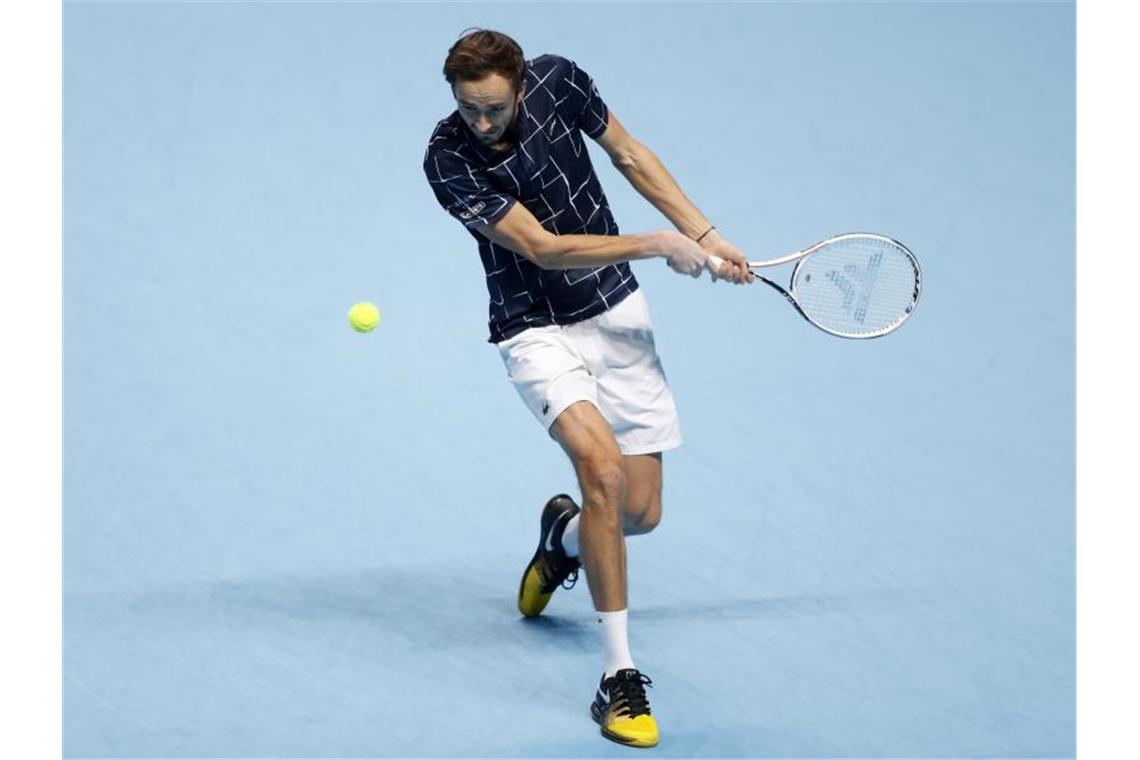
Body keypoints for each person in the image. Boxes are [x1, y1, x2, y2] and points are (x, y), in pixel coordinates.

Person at [423, 29, 753, 748]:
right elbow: (540, 247)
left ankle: (561, 540)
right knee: (600, 471)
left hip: (614, 312)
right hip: (533, 325)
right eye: (468, 108)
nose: (482, 123)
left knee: (638, 513)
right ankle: (619, 678)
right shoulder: (446, 159)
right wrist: (659, 243)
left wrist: (705, 232)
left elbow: (629, 154)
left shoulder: (562, 81)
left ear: (520, 85)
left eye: (494, 108)